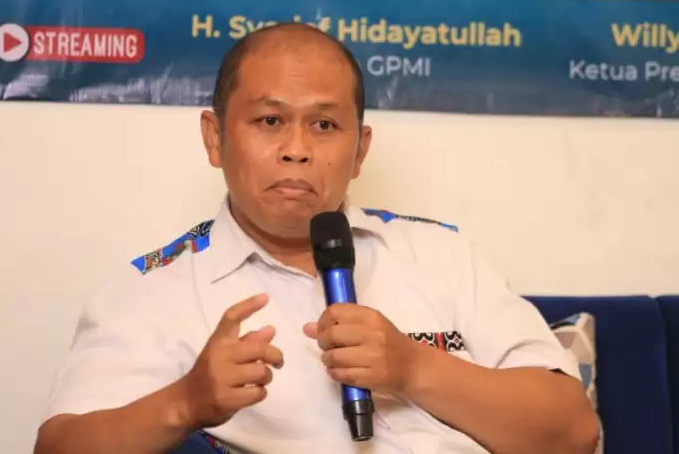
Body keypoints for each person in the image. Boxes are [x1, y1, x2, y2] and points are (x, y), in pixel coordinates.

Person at [34, 23, 600, 454]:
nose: (297, 150)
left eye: (324, 125)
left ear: (360, 150)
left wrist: (413, 368)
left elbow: (574, 433)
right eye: (270, 121)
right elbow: (59, 447)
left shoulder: (442, 256)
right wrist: (184, 402)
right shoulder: (154, 291)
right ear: (215, 139)